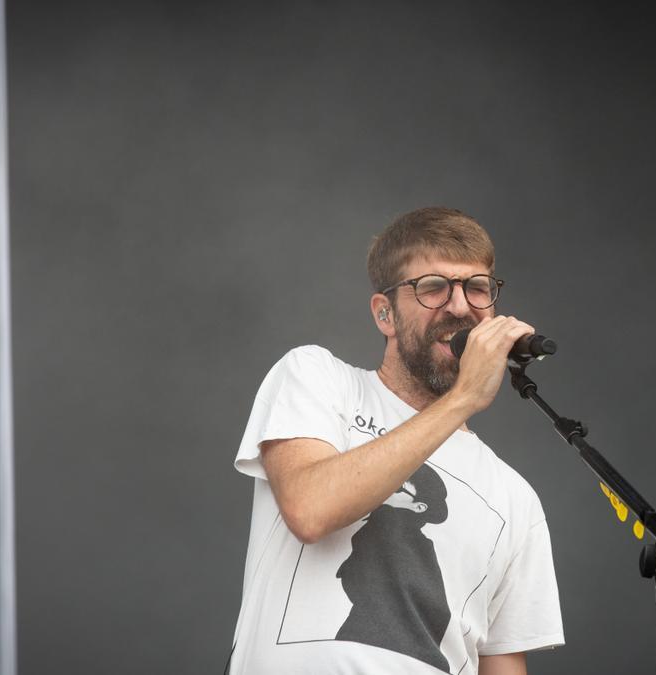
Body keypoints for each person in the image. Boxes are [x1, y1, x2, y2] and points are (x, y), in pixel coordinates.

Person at [225, 207, 564, 675]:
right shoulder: (318, 378)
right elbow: (310, 510)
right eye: (433, 288)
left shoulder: (516, 498)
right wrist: (464, 398)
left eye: (477, 288)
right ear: (385, 313)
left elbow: (502, 664)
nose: (461, 307)